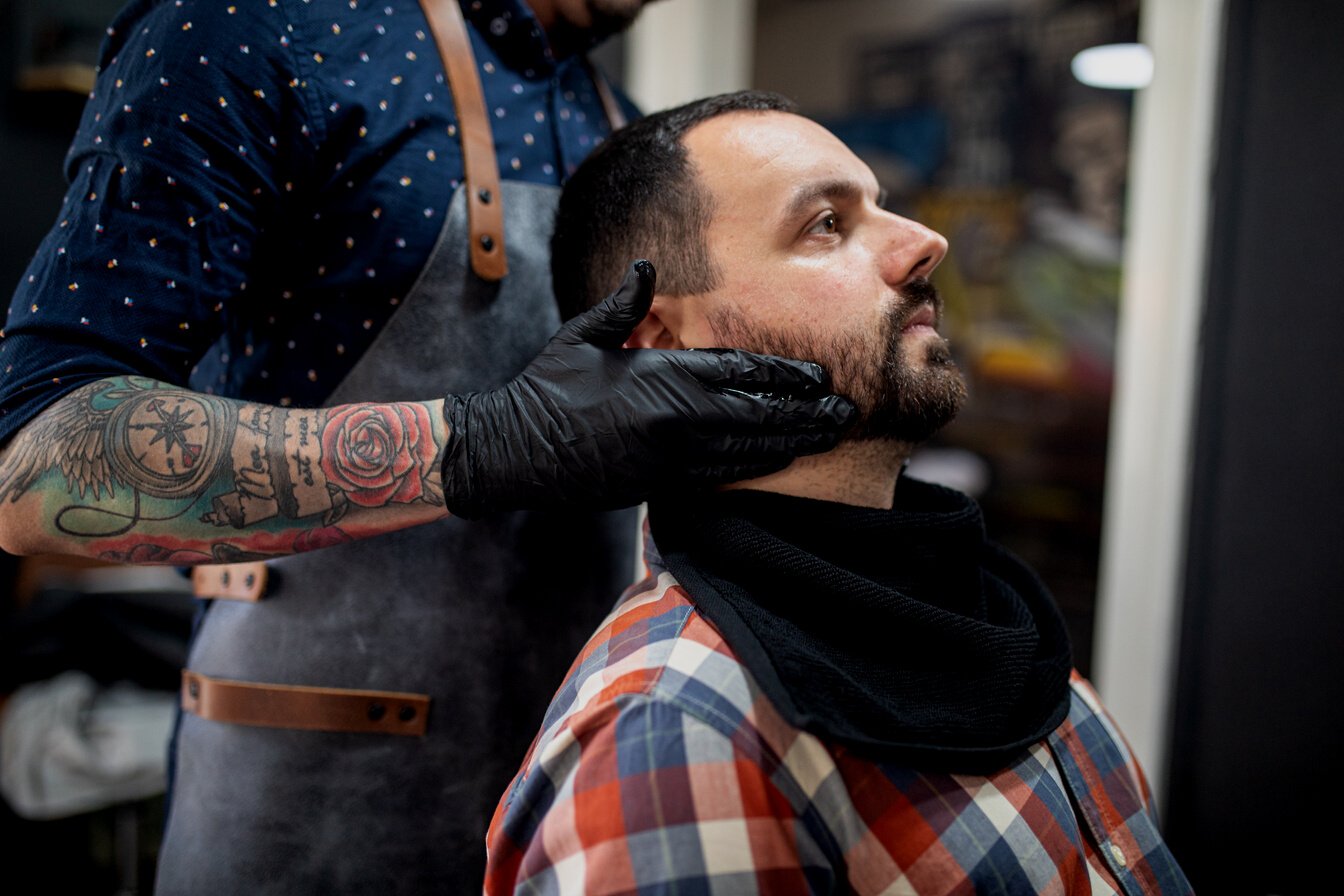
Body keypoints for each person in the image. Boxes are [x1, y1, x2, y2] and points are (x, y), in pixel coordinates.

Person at [0, 2, 855, 892]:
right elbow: (36, 457)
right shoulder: (257, 29)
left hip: (573, 811)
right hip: (309, 819)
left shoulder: (616, 123)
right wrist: (478, 445)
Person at [484, 91, 1194, 894]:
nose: (927, 242)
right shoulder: (680, 733)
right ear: (667, 345)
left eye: (880, 207)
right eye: (826, 223)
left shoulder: (990, 620)